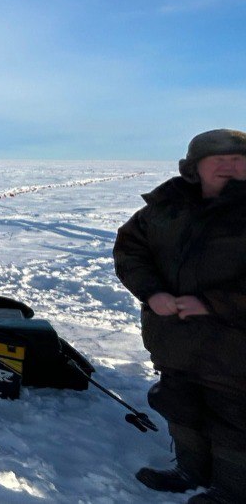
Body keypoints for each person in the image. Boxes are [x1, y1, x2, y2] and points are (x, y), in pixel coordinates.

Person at [115, 129, 246, 503]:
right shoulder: (166, 208)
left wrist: (214, 303)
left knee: (233, 416)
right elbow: (130, 250)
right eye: (217, 159)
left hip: (234, 345)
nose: (229, 166)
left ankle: (233, 491)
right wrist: (152, 292)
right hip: (175, 338)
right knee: (181, 403)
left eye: (238, 159)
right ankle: (189, 470)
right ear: (193, 167)